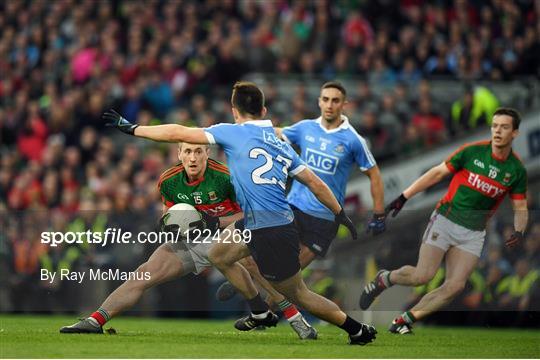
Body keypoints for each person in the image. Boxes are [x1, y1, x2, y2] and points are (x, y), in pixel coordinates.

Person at [103, 81, 377, 345]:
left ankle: (356, 329)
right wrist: (340, 213)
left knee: (299, 294)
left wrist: (133, 128)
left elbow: (179, 132)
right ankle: (259, 310)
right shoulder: (280, 143)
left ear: (235, 112)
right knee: (219, 254)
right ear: (264, 111)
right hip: (263, 223)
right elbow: (316, 183)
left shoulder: (232, 131)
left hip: (271, 229)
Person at [59, 142, 314, 339]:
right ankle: (96, 320)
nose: (193, 157)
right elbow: (172, 216)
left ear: (207, 153)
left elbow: (248, 215)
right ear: (179, 154)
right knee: (144, 272)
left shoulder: (225, 177)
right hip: (193, 240)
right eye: (188, 151)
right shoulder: (168, 181)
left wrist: (214, 223)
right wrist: (176, 228)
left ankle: (293, 317)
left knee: (248, 261)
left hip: (229, 233)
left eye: (198, 152)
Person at [360, 107, 528, 334]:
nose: (498, 131)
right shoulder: (472, 152)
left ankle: (405, 320)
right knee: (423, 276)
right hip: (446, 220)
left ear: (515, 133)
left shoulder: (516, 170)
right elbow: (437, 173)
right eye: (495, 125)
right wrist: (404, 196)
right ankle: (384, 279)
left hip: (474, 232)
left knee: (455, 286)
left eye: (504, 127)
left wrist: (519, 230)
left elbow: (520, 206)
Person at [217, 81, 385, 308]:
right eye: (325, 99)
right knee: (262, 261)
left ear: (344, 104)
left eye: (335, 100)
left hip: (322, 220)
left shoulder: (353, 140)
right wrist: (246, 129)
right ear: (319, 101)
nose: (329, 105)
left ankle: (264, 307)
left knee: (287, 281)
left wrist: (379, 213)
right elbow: (275, 132)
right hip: (292, 208)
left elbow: (374, 175)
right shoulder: (305, 128)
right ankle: (254, 289)